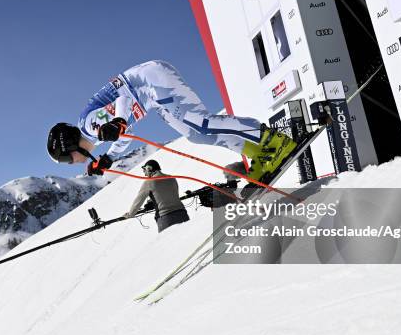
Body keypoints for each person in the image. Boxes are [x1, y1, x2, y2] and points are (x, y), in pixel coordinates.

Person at [47, 60, 297, 183]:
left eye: (67, 158)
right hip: (151, 97)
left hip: (151, 81)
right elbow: (123, 134)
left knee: (202, 123)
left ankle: (275, 141)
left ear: (72, 146)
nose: (71, 163)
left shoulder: (89, 125)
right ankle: (259, 153)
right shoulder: (95, 133)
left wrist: (119, 121)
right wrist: (109, 158)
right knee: (196, 135)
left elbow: (122, 101)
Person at [123, 160, 189, 232]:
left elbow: (139, 200)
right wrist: (153, 201)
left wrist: (130, 214)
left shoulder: (149, 182)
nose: (145, 174)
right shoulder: (172, 178)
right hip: (182, 214)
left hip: (165, 218)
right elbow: (169, 193)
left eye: (145, 170)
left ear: (149, 168)